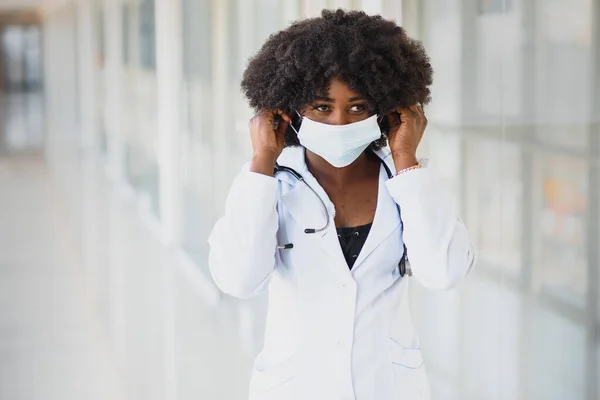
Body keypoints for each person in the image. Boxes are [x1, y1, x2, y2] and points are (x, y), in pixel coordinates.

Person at [208, 9, 475, 400]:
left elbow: (444, 273)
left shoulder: (407, 182)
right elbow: (238, 280)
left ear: (386, 110)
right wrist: (263, 160)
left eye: (357, 107)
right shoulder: (267, 186)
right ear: (289, 109)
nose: (339, 123)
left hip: (386, 386)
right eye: (321, 107)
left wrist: (406, 160)